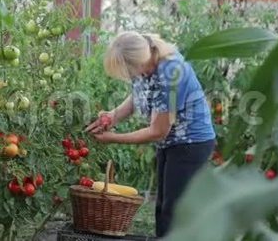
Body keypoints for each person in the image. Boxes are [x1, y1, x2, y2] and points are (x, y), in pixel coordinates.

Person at [84, 31, 216, 238]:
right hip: (172, 144)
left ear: (138, 61)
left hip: (191, 144)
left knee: (175, 211)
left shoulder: (171, 72)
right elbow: (137, 95)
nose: (129, 76)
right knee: (163, 207)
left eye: (129, 71)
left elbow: (158, 131)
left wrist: (113, 138)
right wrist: (113, 117)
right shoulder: (145, 63)